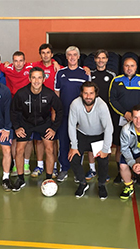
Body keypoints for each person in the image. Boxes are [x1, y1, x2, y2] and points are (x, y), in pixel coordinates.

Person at [10, 67, 63, 191]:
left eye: (39, 77)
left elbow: (60, 111)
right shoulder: (21, 93)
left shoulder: (49, 94)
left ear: (44, 79)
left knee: (49, 149)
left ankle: (49, 178)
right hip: (25, 123)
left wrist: (54, 128)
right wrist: (17, 127)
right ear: (29, 79)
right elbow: (13, 111)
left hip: (44, 123)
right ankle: (20, 178)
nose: (36, 80)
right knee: (19, 150)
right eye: (33, 77)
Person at [68, 81, 113, 199]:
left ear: (96, 94)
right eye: (86, 93)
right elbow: (71, 125)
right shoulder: (75, 104)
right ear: (81, 94)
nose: (88, 96)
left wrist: (105, 149)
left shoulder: (102, 106)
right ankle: (82, 183)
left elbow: (109, 128)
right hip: (82, 134)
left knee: (103, 161)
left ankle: (102, 184)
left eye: (91, 93)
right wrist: (74, 146)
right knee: (73, 158)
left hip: (98, 136)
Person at [109, 57, 140, 184]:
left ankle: (137, 173)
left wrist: (135, 115)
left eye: (132, 66)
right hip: (121, 118)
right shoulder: (116, 80)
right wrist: (125, 113)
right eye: (127, 66)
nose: (129, 68)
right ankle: (120, 173)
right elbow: (112, 99)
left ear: (136, 67)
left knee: (138, 147)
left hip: (138, 119)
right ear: (123, 67)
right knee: (120, 146)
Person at [54, 46, 90, 182]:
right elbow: (56, 94)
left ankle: (77, 169)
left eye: (75, 54)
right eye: (69, 55)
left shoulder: (85, 73)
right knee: (63, 142)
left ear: (78, 56)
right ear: (66, 57)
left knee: (78, 143)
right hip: (63, 115)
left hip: (80, 116)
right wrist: (55, 113)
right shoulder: (60, 73)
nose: (72, 57)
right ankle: (64, 168)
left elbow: (88, 95)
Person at [0, 51, 34, 175]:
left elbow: (46, 64)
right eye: (16, 61)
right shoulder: (7, 68)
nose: (18, 63)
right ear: (12, 61)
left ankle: (26, 164)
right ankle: (15, 164)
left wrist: (55, 62)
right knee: (14, 138)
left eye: (21, 60)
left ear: (24, 61)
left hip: (28, 106)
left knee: (28, 138)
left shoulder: (30, 67)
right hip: (13, 107)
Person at [31, 43, 61, 178]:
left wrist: (86, 68)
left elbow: (74, 67)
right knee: (38, 140)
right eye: (43, 53)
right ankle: (39, 165)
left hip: (52, 107)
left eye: (48, 53)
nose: (45, 55)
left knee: (51, 139)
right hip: (38, 109)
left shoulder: (58, 68)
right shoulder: (35, 67)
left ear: (52, 54)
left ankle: (53, 166)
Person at [85, 49, 116, 181]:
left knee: (105, 142)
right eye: (98, 58)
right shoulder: (89, 74)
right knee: (92, 142)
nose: (101, 60)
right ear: (95, 60)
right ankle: (92, 169)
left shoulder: (112, 75)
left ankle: (104, 170)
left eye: (103, 58)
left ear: (107, 60)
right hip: (92, 113)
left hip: (107, 113)